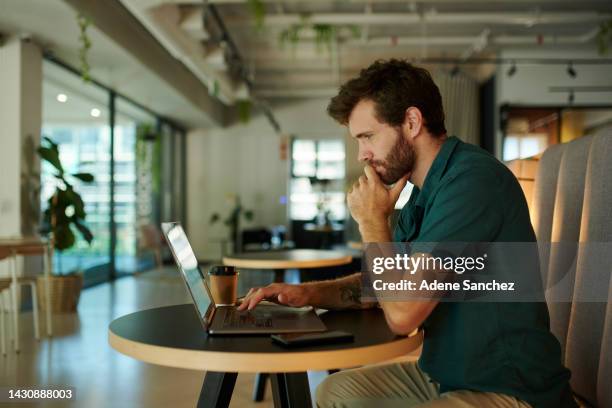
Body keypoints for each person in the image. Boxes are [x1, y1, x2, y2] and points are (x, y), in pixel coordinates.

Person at [238, 59, 577, 408]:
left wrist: (372, 222)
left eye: (368, 136)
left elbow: (402, 314)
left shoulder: (472, 182)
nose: (362, 155)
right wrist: (306, 293)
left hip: (509, 387)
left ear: (412, 122)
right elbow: (382, 285)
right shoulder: (423, 192)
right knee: (332, 392)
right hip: (446, 376)